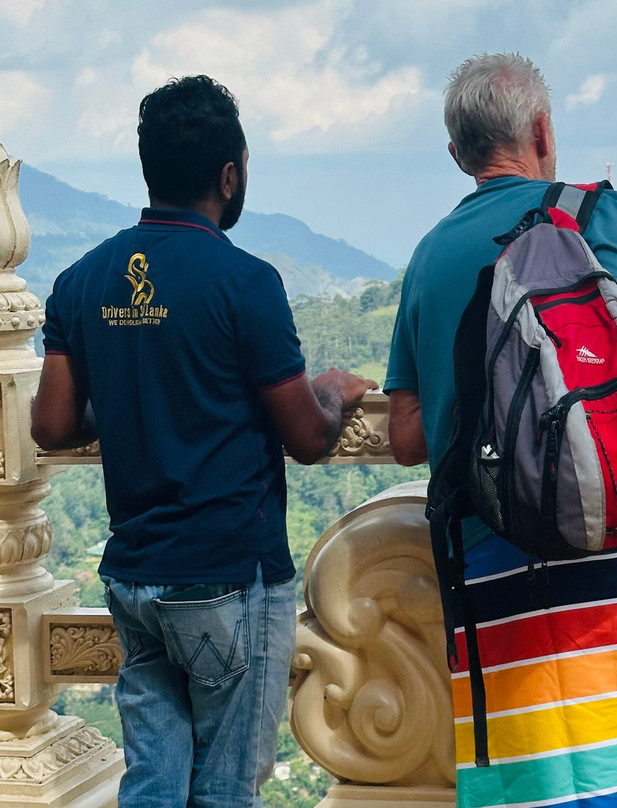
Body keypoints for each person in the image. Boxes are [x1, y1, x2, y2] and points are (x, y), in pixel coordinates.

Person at [30, 75, 377, 808]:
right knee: (224, 790)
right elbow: (308, 437)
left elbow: (53, 426)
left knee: (154, 785)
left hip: (134, 579)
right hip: (227, 577)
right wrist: (332, 390)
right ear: (229, 175)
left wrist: (127, 400)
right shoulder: (245, 283)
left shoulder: (80, 282)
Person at [385, 53, 617, 808]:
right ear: (544, 132)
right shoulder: (584, 214)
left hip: (485, 555)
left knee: (528, 781)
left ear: (456, 154)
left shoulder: (426, 256)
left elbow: (408, 437)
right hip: (600, 539)